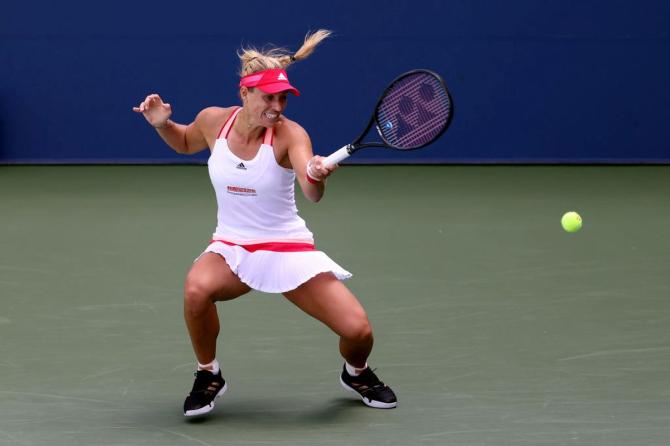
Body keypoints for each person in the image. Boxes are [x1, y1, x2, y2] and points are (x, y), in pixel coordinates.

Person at [133, 29, 397, 416]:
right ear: (245, 93)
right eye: (268, 98)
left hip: (286, 247)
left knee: (358, 331)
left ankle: (356, 372)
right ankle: (209, 373)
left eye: (283, 98)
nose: (277, 106)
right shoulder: (213, 121)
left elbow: (311, 191)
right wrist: (161, 124)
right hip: (232, 246)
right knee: (195, 290)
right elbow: (186, 141)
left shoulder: (291, 135)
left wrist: (316, 175)